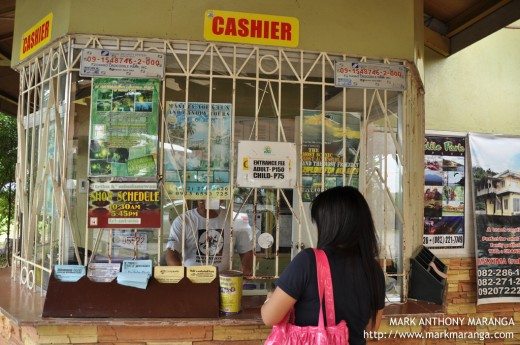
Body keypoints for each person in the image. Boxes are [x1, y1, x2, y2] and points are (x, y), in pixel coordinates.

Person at [261, 186, 385, 345]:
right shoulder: (373, 269)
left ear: (329, 225)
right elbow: (371, 328)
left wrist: (269, 300)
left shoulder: (308, 261)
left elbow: (269, 318)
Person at [165, 199, 253, 275]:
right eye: (200, 197)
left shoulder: (234, 220)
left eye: (208, 198)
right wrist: (183, 276)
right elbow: (171, 254)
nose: (202, 202)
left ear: (221, 199)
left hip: (224, 281)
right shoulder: (183, 221)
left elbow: (246, 251)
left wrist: (246, 268)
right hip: (191, 279)